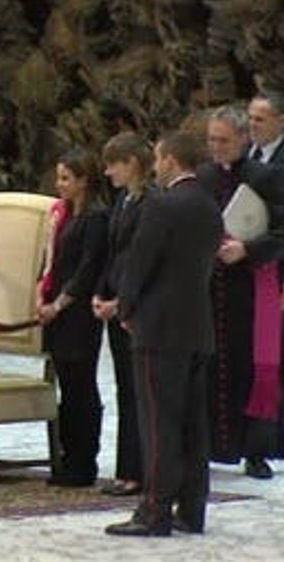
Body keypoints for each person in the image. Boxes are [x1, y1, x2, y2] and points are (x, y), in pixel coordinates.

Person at [104, 130, 223, 537]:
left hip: (158, 327)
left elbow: (141, 262)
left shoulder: (162, 205)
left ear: (170, 159)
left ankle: (154, 511)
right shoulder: (209, 204)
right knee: (192, 424)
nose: (155, 166)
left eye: (158, 158)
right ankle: (191, 508)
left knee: (158, 423)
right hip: (197, 326)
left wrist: (125, 307)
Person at [196, 104, 284, 479]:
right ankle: (210, 446)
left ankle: (255, 451)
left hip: (248, 289)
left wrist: (246, 250)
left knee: (251, 368)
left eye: (223, 140)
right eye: (211, 140)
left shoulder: (266, 177)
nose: (216, 147)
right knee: (210, 367)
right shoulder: (202, 176)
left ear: (242, 138)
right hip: (209, 288)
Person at [36, 148, 109, 487]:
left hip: (78, 313)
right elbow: (52, 261)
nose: (59, 184)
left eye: (66, 178)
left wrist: (59, 304)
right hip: (58, 312)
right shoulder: (64, 215)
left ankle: (84, 460)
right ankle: (68, 457)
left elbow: (87, 269)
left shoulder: (95, 218)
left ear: (84, 181)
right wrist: (41, 295)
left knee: (81, 385)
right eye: (59, 177)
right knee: (67, 385)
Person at [91, 132, 155, 497]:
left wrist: (122, 301)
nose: (108, 171)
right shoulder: (123, 201)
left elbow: (142, 259)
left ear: (131, 163)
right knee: (124, 388)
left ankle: (139, 469)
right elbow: (113, 252)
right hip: (116, 301)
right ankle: (127, 467)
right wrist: (102, 293)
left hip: (138, 306)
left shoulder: (152, 203)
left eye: (113, 164)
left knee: (138, 389)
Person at [246, 90, 284, 466]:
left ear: (282, 120)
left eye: (260, 119)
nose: (252, 125)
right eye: (250, 118)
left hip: (277, 276)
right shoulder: (243, 157)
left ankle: (262, 448)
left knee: (271, 362)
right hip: (241, 274)